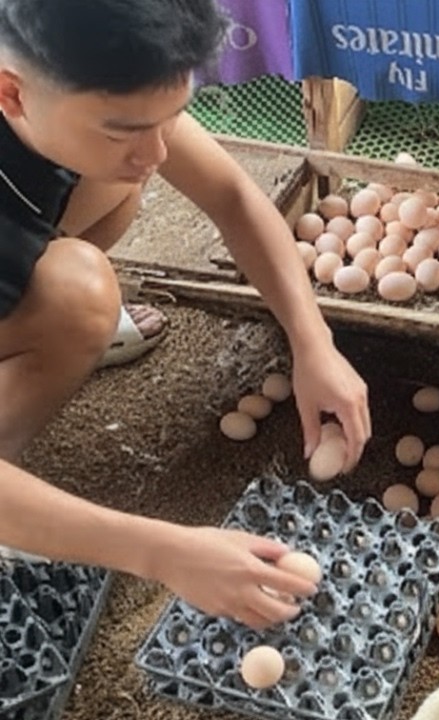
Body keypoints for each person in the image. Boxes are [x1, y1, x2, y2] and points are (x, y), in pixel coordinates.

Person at [0, 0, 371, 630]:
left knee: (116, 183)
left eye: (171, 116)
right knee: (81, 296)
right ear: (12, 93)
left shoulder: (63, 67)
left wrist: (313, 341)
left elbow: (232, 196)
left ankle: (41, 322)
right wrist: (163, 552)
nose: (156, 150)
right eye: (122, 130)